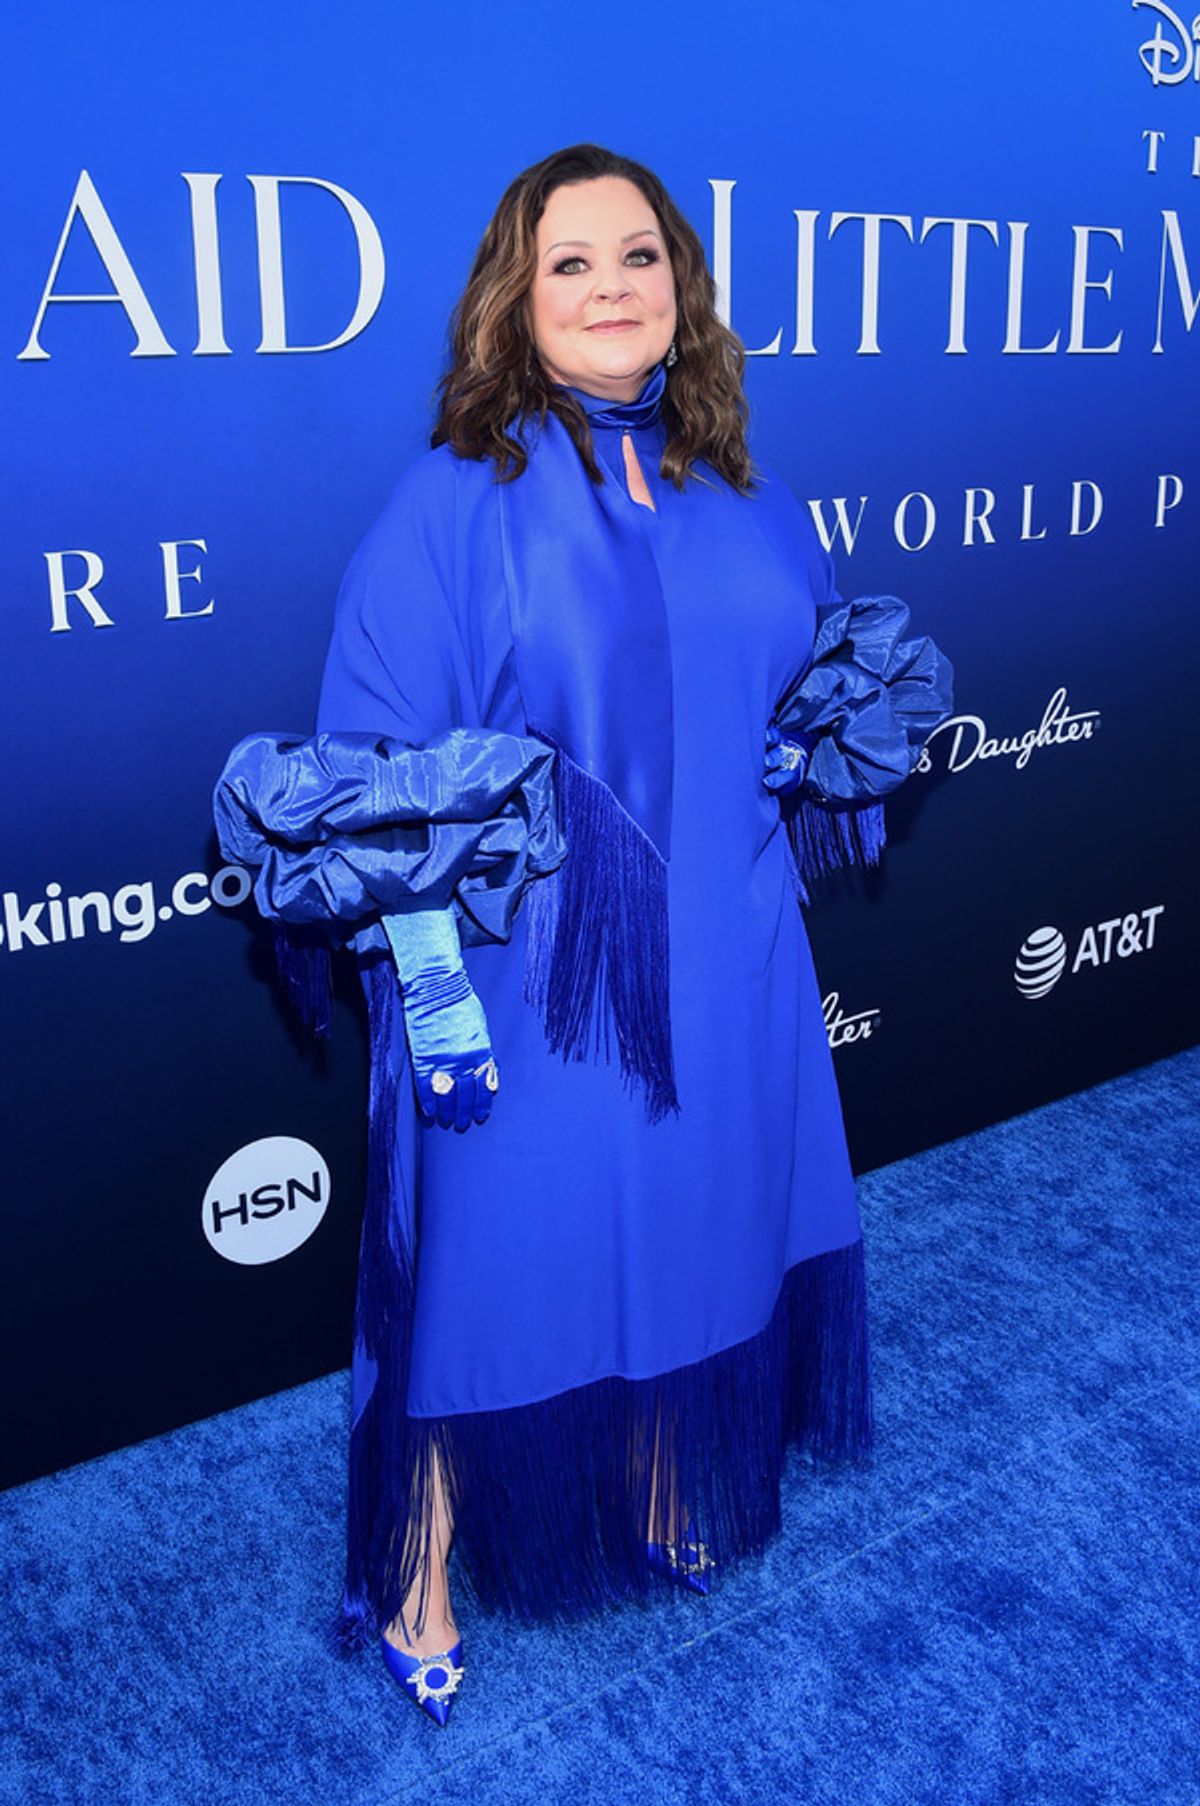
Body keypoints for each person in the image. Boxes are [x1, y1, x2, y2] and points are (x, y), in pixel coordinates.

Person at [214, 142, 953, 1728]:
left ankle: (666, 1463)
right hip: (533, 978)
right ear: (514, 295)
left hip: (735, 943)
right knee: (489, 1262)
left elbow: (811, 678)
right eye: (573, 264)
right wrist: (433, 988)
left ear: (682, 287)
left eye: (641, 257)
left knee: (700, 1213)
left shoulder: (741, 483)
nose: (614, 288)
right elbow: (372, 771)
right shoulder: (454, 500)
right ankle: (412, 1562)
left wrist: (832, 737)